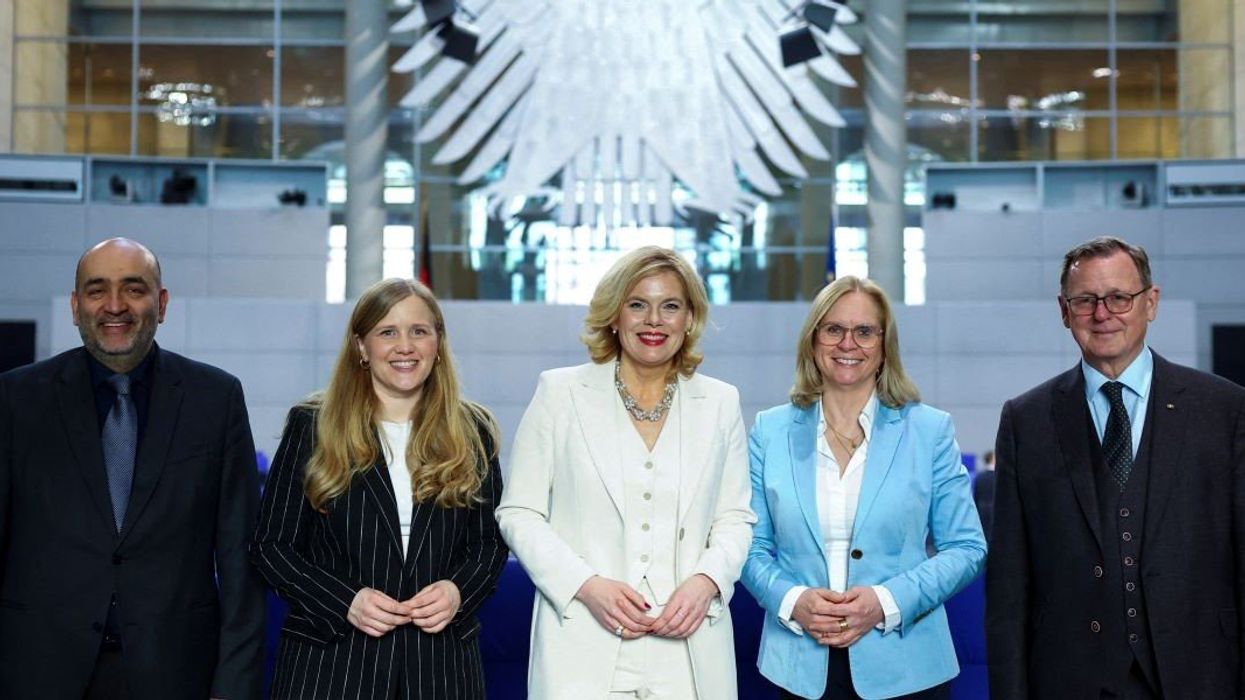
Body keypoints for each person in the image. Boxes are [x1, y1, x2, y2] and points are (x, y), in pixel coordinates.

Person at [0, 238, 265, 699]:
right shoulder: (17, 400)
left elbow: (241, 560)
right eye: (97, 290)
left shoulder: (215, 399)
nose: (115, 306)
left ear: (161, 304)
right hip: (37, 672)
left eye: (134, 289)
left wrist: (234, 686)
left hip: (176, 674)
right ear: (75, 305)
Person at [987, 236, 1245, 698]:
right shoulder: (1026, 420)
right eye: (1085, 300)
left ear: (1151, 302)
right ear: (1065, 312)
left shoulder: (1224, 410)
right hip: (1069, 680)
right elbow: (1009, 584)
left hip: (1201, 673)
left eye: (1119, 298)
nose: (1102, 314)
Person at [496, 246, 756, 700]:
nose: (653, 320)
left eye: (670, 306)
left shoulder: (721, 402)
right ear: (614, 316)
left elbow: (735, 517)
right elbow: (519, 512)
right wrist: (586, 585)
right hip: (582, 639)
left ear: (689, 319)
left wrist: (707, 581)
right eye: (637, 304)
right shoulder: (559, 393)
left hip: (688, 644)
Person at [252, 278, 507, 700]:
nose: (404, 346)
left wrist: (457, 590)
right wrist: (344, 600)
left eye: (419, 331)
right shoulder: (312, 425)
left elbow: (489, 545)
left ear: (438, 343)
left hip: (439, 670)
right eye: (387, 332)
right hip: (330, 667)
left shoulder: (472, 431)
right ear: (361, 347)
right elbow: (271, 546)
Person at [742, 275, 986, 700]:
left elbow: (967, 547)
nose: (847, 344)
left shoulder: (929, 430)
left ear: (884, 345)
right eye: (833, 329)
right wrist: (792, 599)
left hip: (908, 666)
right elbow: (747, 545)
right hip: (800, 666)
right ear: (813, 340)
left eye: (864, 331)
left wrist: (886, 601)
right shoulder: (770, 430)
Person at [972, 450, 996, 538]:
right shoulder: (998, 477)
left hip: (981, 508)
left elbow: (976, 495)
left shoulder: (979, 476)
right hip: (994, 509)